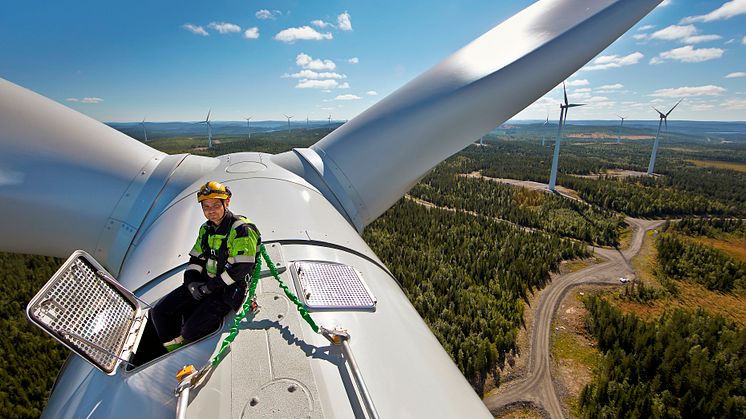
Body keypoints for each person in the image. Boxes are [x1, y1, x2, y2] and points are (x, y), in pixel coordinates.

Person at [151, 181, 261, 352]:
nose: (211, 211)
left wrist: (209, 287)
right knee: (159, 312)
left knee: (190, 330)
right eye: (206, 207)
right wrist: (191, 282)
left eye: (216, 205)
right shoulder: (206, 229)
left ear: (227, 203)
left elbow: (241, 268)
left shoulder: (241, 229)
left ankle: (183, 343)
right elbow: (196, 258)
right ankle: (172, 348)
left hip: (230, 288)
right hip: (207, 282)